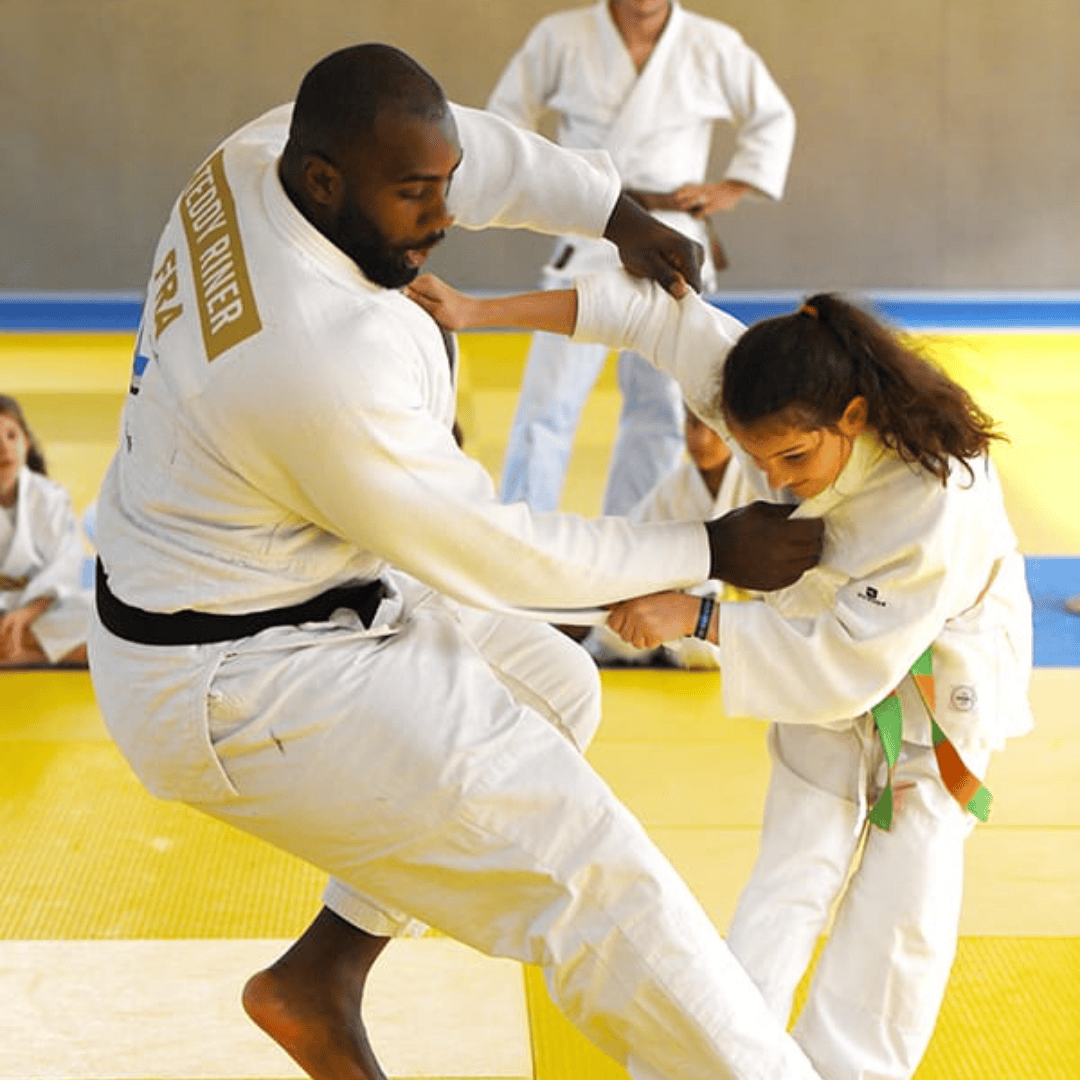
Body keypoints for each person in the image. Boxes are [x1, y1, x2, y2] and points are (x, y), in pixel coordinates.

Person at [87, 43, 829, 1080]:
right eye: (413, 197)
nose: (440, 217)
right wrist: (708, 546)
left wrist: (614, 214)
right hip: (238, 674)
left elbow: (468, 150)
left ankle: (318, 980)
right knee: (592, 871)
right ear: (324, 183)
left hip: (276, 575)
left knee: (556, 692)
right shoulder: (316, 362)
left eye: (440, 190)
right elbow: (495, 552)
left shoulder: (260, 151)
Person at [408, 271, 1034, 1080]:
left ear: (852, 417)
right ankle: (722, 1062)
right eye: (758, 456)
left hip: (938, 673)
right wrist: (477, 309)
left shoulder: (928, 502)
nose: (774, 478)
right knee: (789, 868)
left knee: (903, 897)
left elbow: (846, 670)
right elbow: (640, 313)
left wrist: (699, 617)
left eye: (795, 457)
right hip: (813, 631)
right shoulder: (765, 383)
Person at [488, 0, 795, 516]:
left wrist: (734, 186)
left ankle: (639, 531)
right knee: (547, 403)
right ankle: (522, 531)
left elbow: (773, 115)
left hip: (671, 235)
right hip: (590, 225)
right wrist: (547, 184)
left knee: (661, 406)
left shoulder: (712, 43)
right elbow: (502, 120)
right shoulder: (561, 35)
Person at [581, 404, 759, 668]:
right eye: (692, 425)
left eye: (713, 429)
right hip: (673, 612)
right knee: (614, 628)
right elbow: (628, 546)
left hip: (739, 614)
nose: (701, 440)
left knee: (704, 645)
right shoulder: (676, 488)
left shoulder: (758, 485)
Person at [0, 394, 90, 668]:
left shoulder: (50, 497)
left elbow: (67, 563)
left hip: (42, 607)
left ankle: (24, 651)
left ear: (25, 443)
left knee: (98, 614)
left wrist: (28, 612)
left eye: (11, 436)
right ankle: (29, 650)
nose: (3, 448)